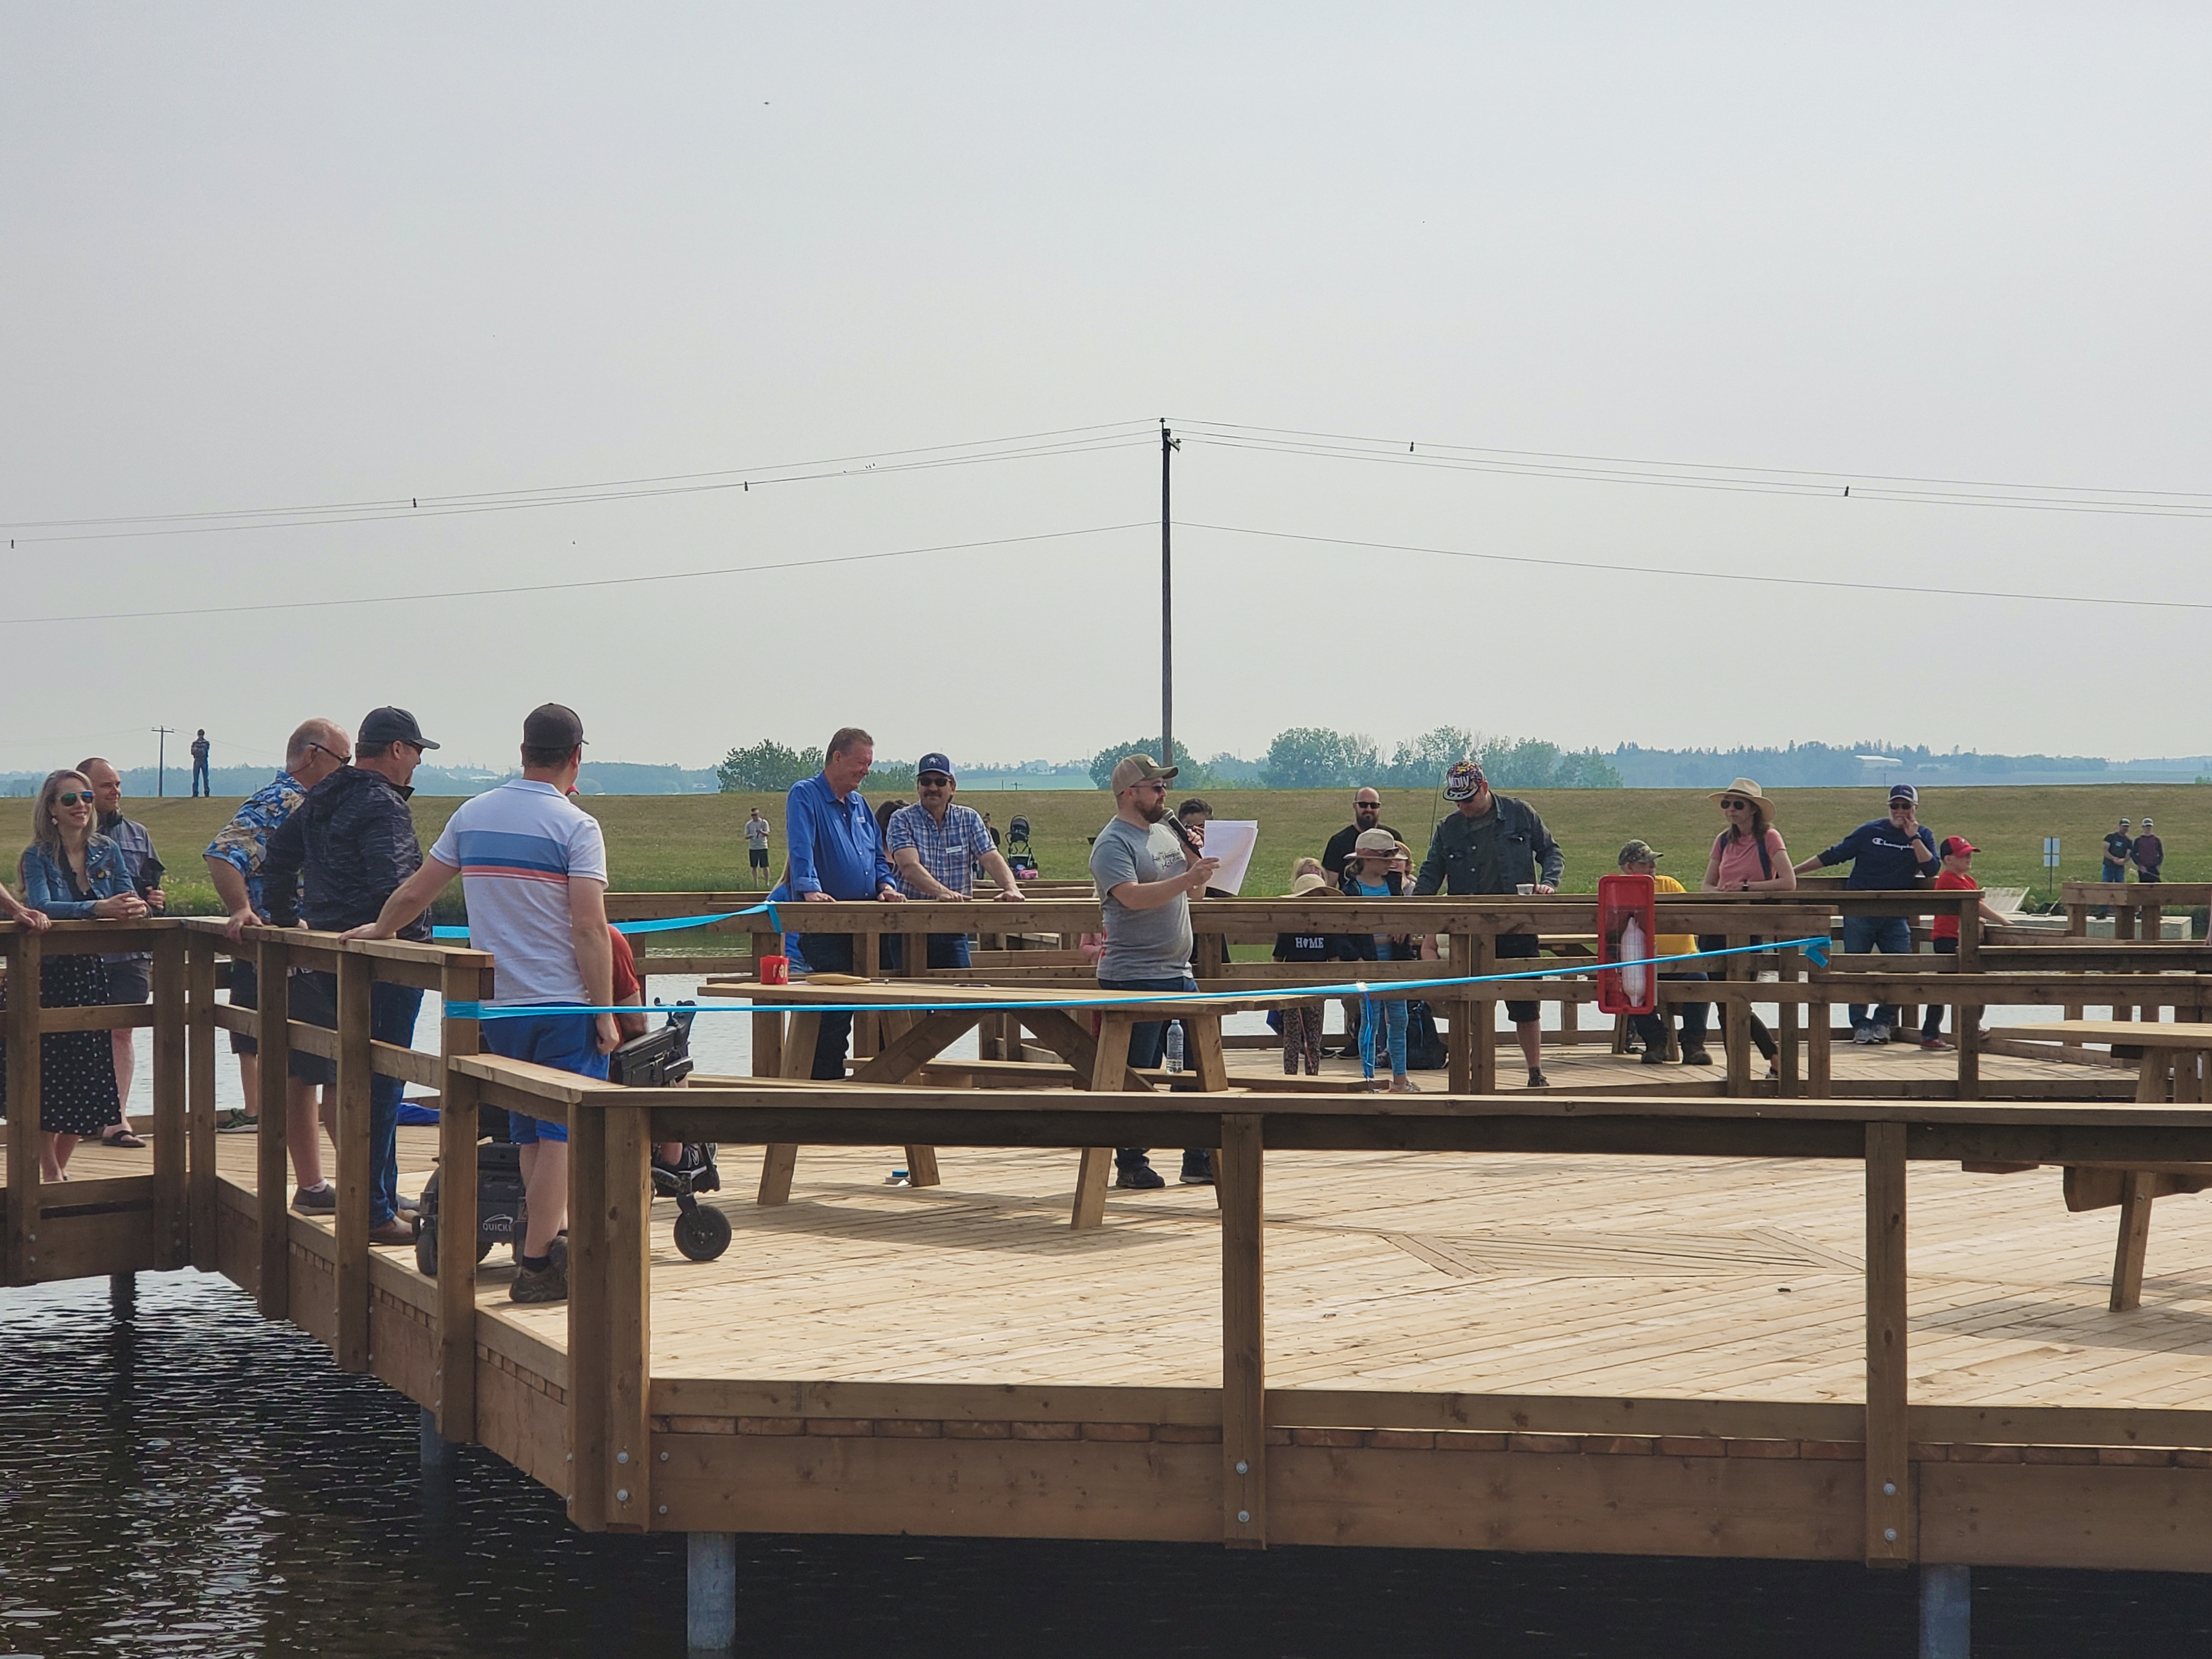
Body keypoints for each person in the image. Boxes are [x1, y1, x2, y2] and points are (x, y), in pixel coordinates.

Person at [347, 703, 616, 1304]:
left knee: (528, 1133)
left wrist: (381, 931)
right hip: (561, 1003)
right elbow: (590, 929)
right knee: (562, 1136)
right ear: (576, 757)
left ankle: (545, 1234)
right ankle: (539, 1260)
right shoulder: (578, 827)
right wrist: (604, 1011)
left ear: (522, 753)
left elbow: (418, 889)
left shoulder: (474, 814)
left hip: (498, 1008)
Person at [261, 707, 437, 1246]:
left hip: (331, 956)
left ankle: (380, 1193)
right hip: (384, 962)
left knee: (363, 1076)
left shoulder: (322, 797)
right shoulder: (384, 805)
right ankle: (374, 1211)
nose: (419, 765)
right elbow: (394, 882)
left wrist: (292, 927)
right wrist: (407, 939)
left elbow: (276, 861)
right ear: (398, 750)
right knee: (382, 1084)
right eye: (418, 752)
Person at [201, 719, 351, 1197]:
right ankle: (320, 1185)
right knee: (308, 1074)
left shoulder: (308, 802)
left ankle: (349, 1185)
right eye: (341, 762)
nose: (345, 773)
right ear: (311, 756)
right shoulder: (284, 800)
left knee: (319, 1073)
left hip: (305, 957)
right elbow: (223, 853)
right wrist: (242, 909)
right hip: (292, 961)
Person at [1088, 753, 1220, 1189]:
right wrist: (1186, 878)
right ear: (1130, 794)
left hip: (1178, 970)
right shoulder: (1112, 843)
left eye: (1164, 787)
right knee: (1138, 1073)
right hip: (1134, 974)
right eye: (1156, 787)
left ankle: (1197, 1155)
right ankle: (1131, 1162)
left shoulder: (1165, 834)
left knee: (1196, 1066)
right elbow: (1131, 897)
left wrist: (1192, 860)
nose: (1164, 795)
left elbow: (1196, 895)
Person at [9, 771, 145, 1180]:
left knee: (88, 1083)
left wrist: (135, 908)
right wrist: (97, 910)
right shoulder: (37, 856)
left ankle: (57, 1173)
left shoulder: (107, 849)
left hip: (91, 973)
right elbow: (44, 905)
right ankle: (52, 1174)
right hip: (47, 976)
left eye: (86, 797)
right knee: (44, 1078)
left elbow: (125, 892)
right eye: (70, 799)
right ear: (51, 809)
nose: (81, 805)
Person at [1412, 759, 1563, 1088]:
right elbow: (1430, 874)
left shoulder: (1520, 813)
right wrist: (1412, 912)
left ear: (1484, 787)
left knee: (1526, 1000)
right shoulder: (1448, 828)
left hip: (1516, 926)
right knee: (1467, 1000)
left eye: (1468, 799)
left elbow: (1551, 852)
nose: (1463, 807)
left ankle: (1535, 1071)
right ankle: (1469, 1069)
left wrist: (1548, 883)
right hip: (1466, 931)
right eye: (1457, 801)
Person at [786, 727, 906, 1079]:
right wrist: (809, 889)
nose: (865, 771)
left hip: (868, 924)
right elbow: (801, 846)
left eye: (868, 764)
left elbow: (877, 854)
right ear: (837, 758)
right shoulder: (806, 795)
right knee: (834, 1010)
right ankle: (827, 1087)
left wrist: (885, 884)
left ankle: (888, 1081)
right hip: (827, 925)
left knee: (889, 1001)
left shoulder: (859, 805)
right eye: (860, 763)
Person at [1793, 784, 1936, 1045]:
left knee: (1902, 970)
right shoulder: (1871, 831)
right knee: (1854, 970)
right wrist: (1792, 873)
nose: (1900, 811)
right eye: (1895, 806)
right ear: (1888, 807)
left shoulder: (1923, 835)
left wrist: (1913, 837)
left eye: (1906, 806)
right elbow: (1835, 854)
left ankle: (1884, 1021)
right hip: (1859, 911)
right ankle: (1860, 1024)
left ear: (1915, 809)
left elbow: (1931, 869)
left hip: (1896, 915)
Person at [76, 757, 167, 1149]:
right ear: (84, 791)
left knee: (122, 1031)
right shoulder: (66, 839)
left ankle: (117, 1119)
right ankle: (78, 1116)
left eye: (117, 784)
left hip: (131, 953)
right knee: (79, 1033)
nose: (115, 792)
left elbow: (151, 889)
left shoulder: (137, 834)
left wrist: (158, 902)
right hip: (82, 953)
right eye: (106, 785)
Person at [884, 752, 1025, 969]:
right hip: (908, 926)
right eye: (926, 781)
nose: (933, 788)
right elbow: (909, 866)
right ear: (918, 786)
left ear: (953, 787)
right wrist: (941, 892)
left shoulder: (968, 819)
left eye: (940, 782)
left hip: (953, 925)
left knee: (960, 993)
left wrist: (1011, 888)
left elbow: (990, 857)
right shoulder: (902, 819)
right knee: (909, 996)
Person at [1697, 778, 1796, 1073]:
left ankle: (1771, 1057)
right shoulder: (1723, 840)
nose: (1731, 810)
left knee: (1739, 997)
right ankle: (1741, 1066)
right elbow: (1706, 886)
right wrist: (1722, 893)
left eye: (1738, 804)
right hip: (1717, 925)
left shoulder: (1770, 839)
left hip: (1751, 924)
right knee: (1722, 1000)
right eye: (1727, 804)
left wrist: (1747, 889)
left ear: (1753, 809)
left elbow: (1789, 882)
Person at [1342, 828, 1426, 1093]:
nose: (1392, 861)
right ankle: (1370, 1079)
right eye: (1386, 856)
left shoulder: (1394, 883)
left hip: (1396, 961)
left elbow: (1405, 912)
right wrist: (1356, 958)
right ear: (1368, 859)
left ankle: (1400, 1080)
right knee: (1371, 1020)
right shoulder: (1351, 889)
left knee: (1399, 1019)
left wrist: (1404, 926)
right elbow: (1343, 932)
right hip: (1367, 962)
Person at [1618, 839, 1710, 1068]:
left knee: (1700, 979)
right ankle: (1655, 1042)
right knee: (1631, 984)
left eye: (1653, 862)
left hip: (1683, 963)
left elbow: (1692, 916)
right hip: (1643, 967)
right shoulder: (1618, 891)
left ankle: (1694, 1045)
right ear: (1629, 867)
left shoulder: (1670, 885)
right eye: (1644, 862)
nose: (1652, 867)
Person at [1919, 838, 2011, 1049]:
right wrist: (2002, 920)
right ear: (1949, 860)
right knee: (1948, 986)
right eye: (1963, 855)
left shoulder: (1969, 881)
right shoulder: (1948, 880)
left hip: (1962, 939)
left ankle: (1966, 1027)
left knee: (1970, 982)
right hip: (1947, 939)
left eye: (1970, 853)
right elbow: (1976, 906)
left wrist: (1980, 921)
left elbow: (1975, 909)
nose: (1969, 858)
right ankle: (1933, 1033)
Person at [1272, 870, 1350, 1076]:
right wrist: (1279, 986)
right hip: (1293, 990)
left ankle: (1312, 1075)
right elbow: (1277, 960)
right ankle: (1290, 1077)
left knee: (1314, 1037)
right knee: (1292, 1037)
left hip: (1317, 990)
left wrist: (1334, 985)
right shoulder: (1289, 929)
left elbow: (1334, 960)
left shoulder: (1327, 929)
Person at [1321, 789, 1399, 878]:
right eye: (1363, 805)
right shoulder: (1338, 842)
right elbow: (1331, 883)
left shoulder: (1392, 838)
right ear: (1355, 806)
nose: (1369, 809)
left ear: (1379, 807)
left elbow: (1405, 872)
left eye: (1374, 805)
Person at [743, 807, 771, 882]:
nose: (754, 817)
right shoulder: (749, 824)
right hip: (753, 848)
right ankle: (756, 882)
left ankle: (767, 882)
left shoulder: (764, 822)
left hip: (763, 847)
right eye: (752, 815)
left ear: (758, 814)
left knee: (765, 866)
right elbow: (746, 836)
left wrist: (762, 832)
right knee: (754, 866)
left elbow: (768, 834)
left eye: (755, 815)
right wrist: (750, 836)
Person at [2133, 818, 2165, 884]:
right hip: (2143, 869)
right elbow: (2133, 854)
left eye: (2149, 826)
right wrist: (2140, 866)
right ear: (2143, 827)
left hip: (2154, 868)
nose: (2148, 828)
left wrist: (2158, 865)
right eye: (2147, 826)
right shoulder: (2138, 840)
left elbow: (2161, 855)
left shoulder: (2156, 840)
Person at [190, 730, 212, 797]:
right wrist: (198, 750)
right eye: (199, 734)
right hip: (197, 760)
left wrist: (197, 750)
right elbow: (192, 751)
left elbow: (204, 751)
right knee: (195, 778)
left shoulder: (206, 743)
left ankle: (206, 792)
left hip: (204, 760)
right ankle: (195, 792)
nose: (200, 735)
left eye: (201, 734)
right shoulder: (194, 743)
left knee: (205, 777)